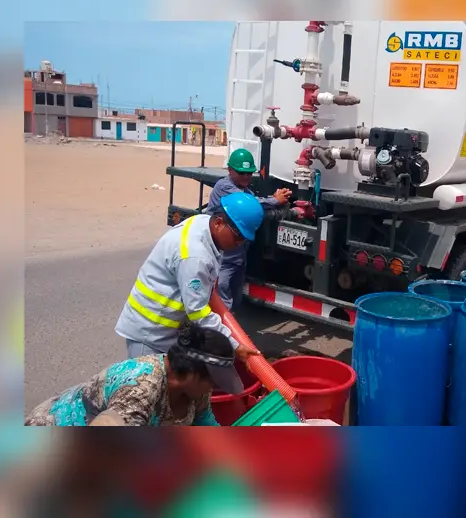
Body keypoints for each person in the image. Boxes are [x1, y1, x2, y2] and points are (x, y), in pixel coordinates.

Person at [115, 191, 265, 360]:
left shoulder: (204, 225)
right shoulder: (194, 256)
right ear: (218, 223)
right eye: (238, 236)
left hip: (167, 332)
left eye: (245, 239)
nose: (239, 243)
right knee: (147, 384)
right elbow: (198, 312)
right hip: (148, 334)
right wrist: (234, 346)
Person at [26, 324, 241, 426]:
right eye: (212, 382)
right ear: (193, 373)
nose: (212, 388)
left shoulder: (196, 391)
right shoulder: (141, 388)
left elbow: (205, 423)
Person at [207, 148, 292, 311]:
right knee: (221, 298)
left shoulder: (246, 190)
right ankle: (219, 332)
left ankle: (229, 329)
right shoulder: (224, 186)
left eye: (249, 173)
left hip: (237, 258)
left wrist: (277, 199)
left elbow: (254, 203)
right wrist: (274, 200)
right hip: (222, 259)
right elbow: (249, 204)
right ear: (230, 170)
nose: (246, 176)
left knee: (236, 298)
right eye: (241, 172)